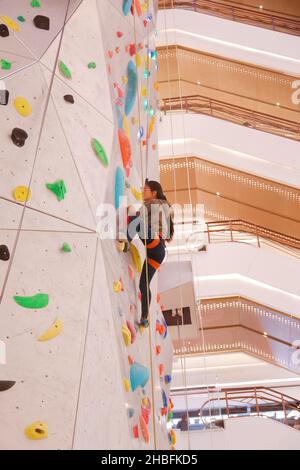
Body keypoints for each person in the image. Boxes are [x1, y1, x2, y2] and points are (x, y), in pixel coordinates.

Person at [126, 180, 174, 328]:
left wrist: (129, 209)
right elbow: (169, 236)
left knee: (134, 216)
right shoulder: (166, 207)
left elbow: (136, 217)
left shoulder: (152, 203)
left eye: (145, 189)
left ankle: (126, 243)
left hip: (154, 242)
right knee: (143, 284)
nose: (142, 191)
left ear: (153, 193)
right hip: (158, 252)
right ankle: (145, 318)